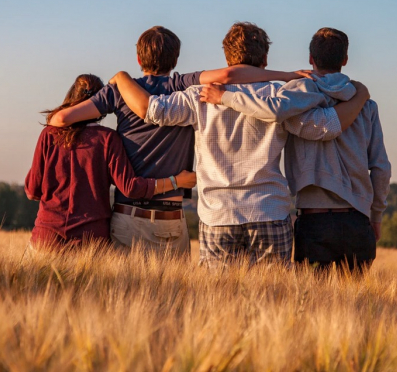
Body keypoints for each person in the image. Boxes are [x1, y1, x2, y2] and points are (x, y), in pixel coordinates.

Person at [109, 22, 370, 267]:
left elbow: (152, 110)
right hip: (269, 211)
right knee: (273, 301)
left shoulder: (198, 96)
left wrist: (121, 78)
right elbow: (325, 127)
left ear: (227, 59)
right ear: (265, 60)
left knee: (219, 303)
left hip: (218, 215)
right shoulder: (280, 96)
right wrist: (360, 96)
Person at [48, 26, 314, 256]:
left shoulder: (119, 91)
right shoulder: (182, 85)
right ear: (175, 59)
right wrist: (287, 75)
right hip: (172, 217)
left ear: (139, 59)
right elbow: (228, 76)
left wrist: (117, 83)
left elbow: (60, 120)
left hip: (128, 215)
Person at [201, 27, 391, 273]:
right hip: (358, 220)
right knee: (355, 306)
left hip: (314, 221)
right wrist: (376, 216)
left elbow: (273, 110)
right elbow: (381, 167)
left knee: (311, 305)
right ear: (345, 60)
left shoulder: (294, 97)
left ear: (311, 58)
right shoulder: (366, 105)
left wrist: (225, 97)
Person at [24, 73, 196, 250]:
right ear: (101, 103)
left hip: (47, 237)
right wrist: (176, 181)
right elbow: (131, 187)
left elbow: (32, 190)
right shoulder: (107, 139)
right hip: (91, 241)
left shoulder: (49, 134)